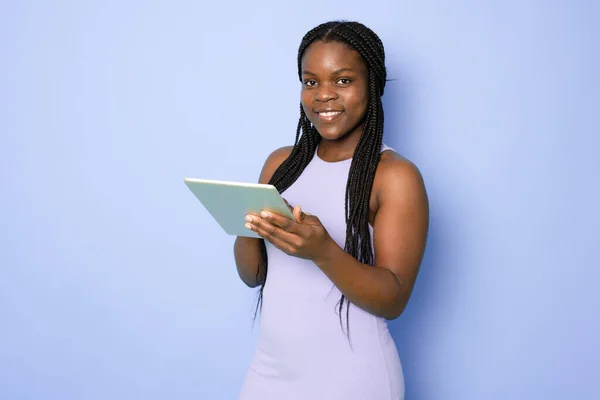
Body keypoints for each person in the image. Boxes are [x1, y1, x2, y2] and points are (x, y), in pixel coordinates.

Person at [234, 20, 429, 400]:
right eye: (311, 81)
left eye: (342, 81)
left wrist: (322, 251)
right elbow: (253, 275)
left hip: (353, 379)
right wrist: (248, 224)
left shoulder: (395, 176)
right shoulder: (280, 165)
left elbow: (393, 299)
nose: (324, 95)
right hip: (268, 374)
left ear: (372, 85)